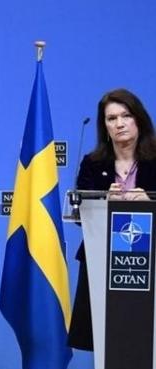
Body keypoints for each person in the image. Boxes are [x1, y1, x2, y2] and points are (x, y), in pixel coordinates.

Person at [69, 88, 156, 351]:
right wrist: (101, 202)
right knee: (108, 341)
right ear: (104, 126)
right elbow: (78, 214)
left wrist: (151, 203)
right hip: (102, 261)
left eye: (126, 116)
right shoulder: (92, 164)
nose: (119, 124)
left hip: (147, 263)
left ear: (138, 119)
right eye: (111, 118)